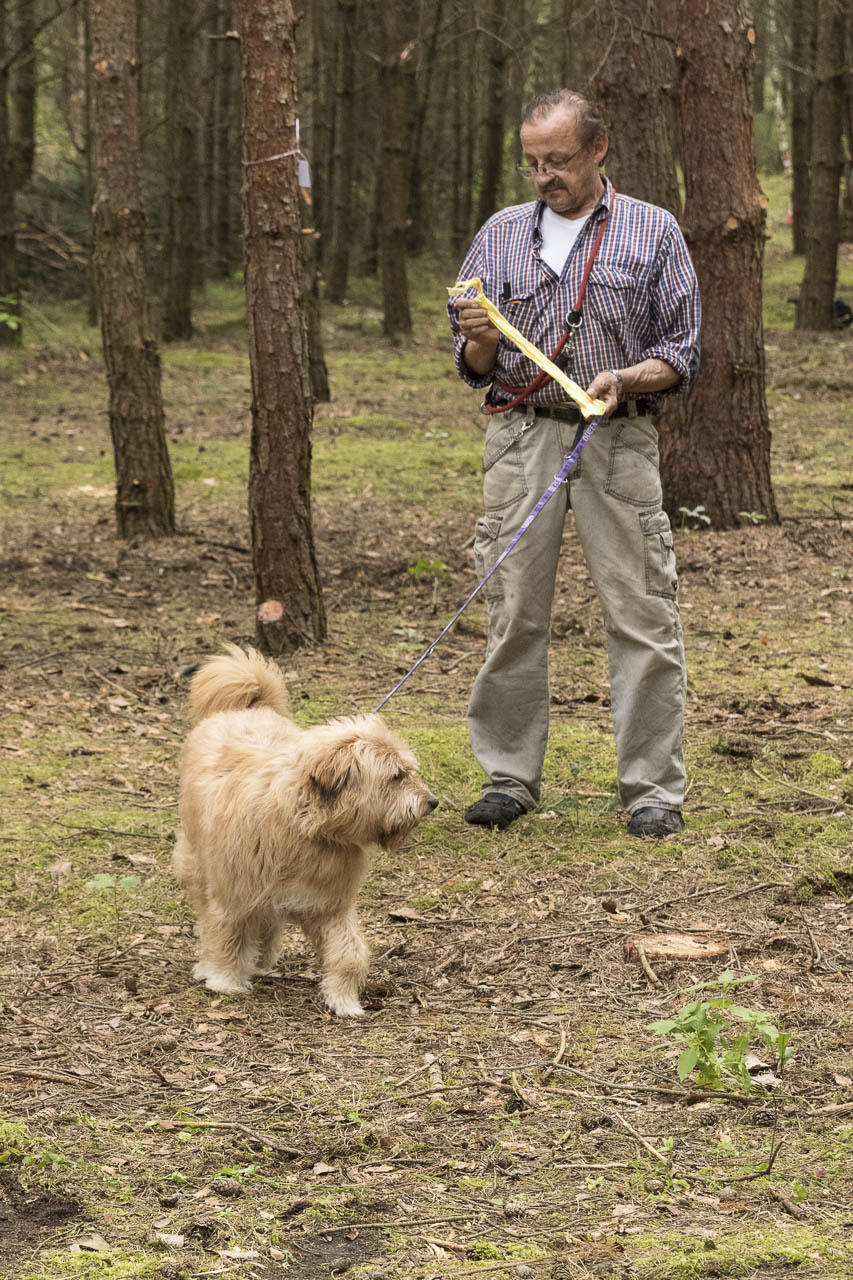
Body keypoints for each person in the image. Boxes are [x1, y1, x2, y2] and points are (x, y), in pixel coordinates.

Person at [448, 89, 701, 838]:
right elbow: (471, 364)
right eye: (532, 162)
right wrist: (479, 337)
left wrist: (625, 377)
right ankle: (507, 777)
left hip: (617, 439)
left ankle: (651, 790)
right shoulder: (499, 235)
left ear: (598, 148)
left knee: (641, 613)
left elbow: (681, 351)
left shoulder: (653, 230)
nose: (544, 176)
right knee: (513, 611)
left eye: (557, 160)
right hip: (520, 439)